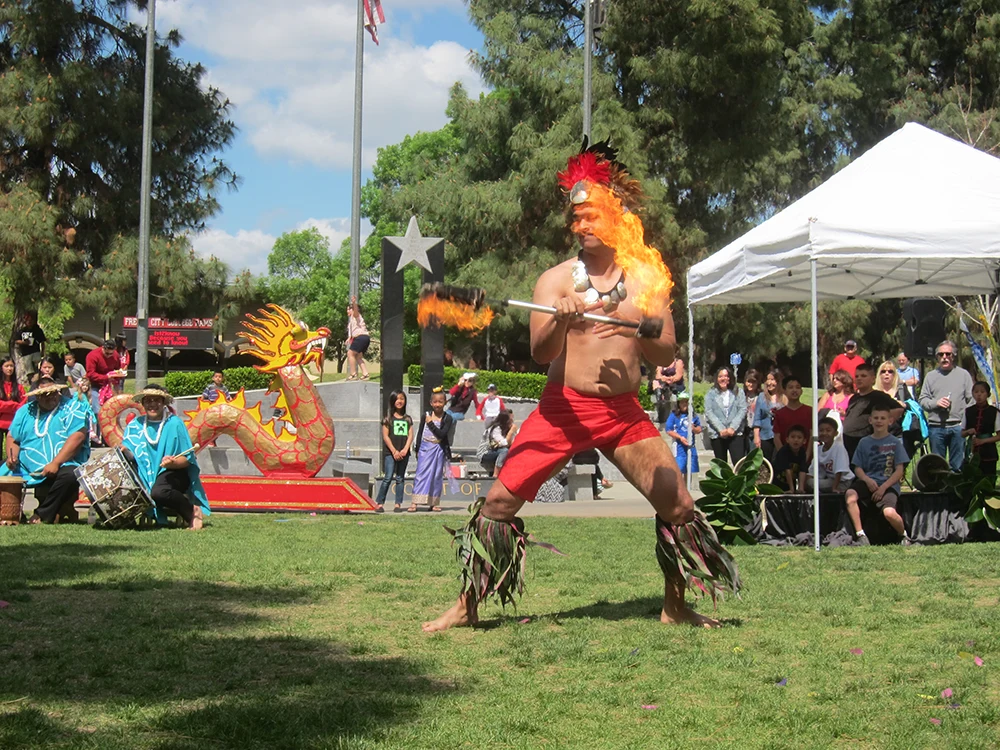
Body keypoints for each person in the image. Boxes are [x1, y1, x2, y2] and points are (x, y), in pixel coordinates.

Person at [422, 142, 738, 633]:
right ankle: (467, 605)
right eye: (578, 217)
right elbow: (543, 353)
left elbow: (666, 353)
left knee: (678, 504)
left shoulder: (647, 280)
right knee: (499, 504)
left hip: (623, 413)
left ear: (616, 217)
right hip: (561, 411)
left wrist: (642, 330)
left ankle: (675, 605)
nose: (584, 225)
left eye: (594, 215)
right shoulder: (554, 281)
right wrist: (563, 322)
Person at [0, 378, 90, 523]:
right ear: (38, 396)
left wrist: (55, 462)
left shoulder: (72, 407)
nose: (52, 397)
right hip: (25, 464)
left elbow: (78, 437)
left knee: (71, 475)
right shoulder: (25, 411)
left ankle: (43, 514)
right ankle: (11, 513)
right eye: (46, 395)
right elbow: (12, 437)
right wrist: (12, 456)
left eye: (54, 393)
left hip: (62, 463)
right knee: (3, 469)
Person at [120, 385, 209, 529]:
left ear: (164, 403)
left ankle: (192, 512)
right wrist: (124, 450)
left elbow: (187, 459)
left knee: (159, 492)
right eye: (148, 400)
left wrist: (172, 463)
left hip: (175, 472)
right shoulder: (135, 425)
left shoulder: (175, 423)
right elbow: (128, 450)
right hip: (143, 474)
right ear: (142, 403)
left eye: (157, 400)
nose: (152, 404)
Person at [844, 406, 911, 546]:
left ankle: (903, 535)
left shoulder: (895, 443)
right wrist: (867, 480)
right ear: (870, 420)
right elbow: (857, 468)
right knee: (850, 495)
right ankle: (860, 535)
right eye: (876, 418)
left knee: (889, 513)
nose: (879, 421)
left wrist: (883, 488)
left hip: (888, 484)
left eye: (883, 418)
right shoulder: (864, 442)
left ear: (890, 421)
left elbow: (899, 471)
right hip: (868, 482)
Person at [919, 340, 974, 472]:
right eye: (941, 354)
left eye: (948, 354)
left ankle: (955, 490)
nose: (944, 357)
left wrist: (965, 423)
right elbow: (922, 400)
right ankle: (940, 490)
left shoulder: (964, 375)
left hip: (957, 427)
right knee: (938, 466)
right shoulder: (931, 376)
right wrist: (935, 403)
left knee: (957, 465)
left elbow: (971, 400)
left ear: (953, 356)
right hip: (936, 428)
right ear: (937, 357)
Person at [841, 363, 905, 462]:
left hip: (865, 442)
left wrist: (879, 422)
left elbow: (899, 409)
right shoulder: (854, 398)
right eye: (857, 376)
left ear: (873, 379)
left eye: (863, 376)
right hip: (847, 441)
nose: (859, 379)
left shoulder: (878, 396)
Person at [409, 387, 453, 512]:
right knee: (421, 474)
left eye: (440, 401)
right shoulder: (426, 415)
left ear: (445, 402)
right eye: (435, 402)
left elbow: (441, 434)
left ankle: (434, 502)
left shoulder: (447, 418)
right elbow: (420, 432)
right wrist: (417, 448)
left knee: (436, 475)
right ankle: (415, 502)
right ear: (431, 403)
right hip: (425, 448)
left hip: (438, 449)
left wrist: (431, 424)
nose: (437, 404)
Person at [374, 389, 413, 513]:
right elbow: (385, 436)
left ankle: (398, 504)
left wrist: (405, 449)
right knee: (388, 477)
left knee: (400, 478)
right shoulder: (388, 419)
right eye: (397, 399)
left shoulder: (407, 419)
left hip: (404, 453)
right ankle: (380, 503)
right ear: (392, 401)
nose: (400, 401)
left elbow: (410, 435)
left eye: (402, 398)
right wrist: (394, 451)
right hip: (390, 453)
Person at [704, 366, 747, 464]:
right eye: (721, 376)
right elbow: (709, 412)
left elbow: (742, 409)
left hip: (735, 433)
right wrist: (721, 429)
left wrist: (732, 427)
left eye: (726, 376)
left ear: (730, 377)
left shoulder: (738, 392)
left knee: (739, 463)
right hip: (718, 434)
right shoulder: (710, 394)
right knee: (721, 466)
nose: (724, 379)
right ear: (717, 378)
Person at [962, 381, 1000, 480]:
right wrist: (968, 432)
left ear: (988, 394)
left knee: (987, 479)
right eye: (976, 392)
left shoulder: (994, 412)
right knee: (971, 480)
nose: (979, 395)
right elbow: (962, 433)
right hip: (972, 450)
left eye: (982, 392)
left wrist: (983, 441)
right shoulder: (968, 411)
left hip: (989, 451)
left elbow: (999, 435)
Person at [86, 340, 122, 441]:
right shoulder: (93, 355)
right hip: (96, 385)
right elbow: (90, 374)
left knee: (110, 411)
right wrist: (105, 377)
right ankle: (95, 437)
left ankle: (108, 437)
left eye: (111, 353)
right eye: (107, 353)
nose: (109, 356)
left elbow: (117, 369)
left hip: (109, 386)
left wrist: (117, 377)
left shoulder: (115, 355)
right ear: (103, 348)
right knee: (97, 411)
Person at [808, 416, 853, 493]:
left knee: (811, 483)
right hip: (830, 479)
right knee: (809, 481)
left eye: (828, 430)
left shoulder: (839, 447)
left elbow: (839, 471)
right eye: (821, 430)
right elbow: (814, 470)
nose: (824, 433)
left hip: (843, 481)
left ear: (835, 433)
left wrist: (834, 488)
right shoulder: (819, 449)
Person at [665, 392, 701, 476]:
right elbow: (669, 430)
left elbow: (699, 429)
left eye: (686, 402)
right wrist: (680, 437)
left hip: (691, 446)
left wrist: (694, 428)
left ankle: (687, 487)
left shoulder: (693, 415)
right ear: (678, 404)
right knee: (679, 470)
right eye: (682, 402)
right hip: (679, 447)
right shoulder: (673, 415)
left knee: (690, 471)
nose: (684, 404)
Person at [772, 376, 813, 451]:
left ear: (801, 391)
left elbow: (812, 435)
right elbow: (777, 437)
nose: (794, 390)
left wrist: (807, 456)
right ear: (784, 391)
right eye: (791, 387)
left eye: (797, 387)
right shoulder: (780, 413)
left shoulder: (809, 411)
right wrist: (784, 455)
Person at [12, 310, 46, 390]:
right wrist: (24, 343)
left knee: (37, 368)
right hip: (25, 354)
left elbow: (42, 341)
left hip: (35, 352)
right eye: (27, 321)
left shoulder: (37, 330)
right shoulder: (21, 331)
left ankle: (39, 380)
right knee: (29, 372)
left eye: (31, 321)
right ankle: (33, 384)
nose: (29, 322)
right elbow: (16, 340)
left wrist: (43, 352)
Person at [0, 358, 25, 456]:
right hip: (1, 422)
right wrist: (12, 405)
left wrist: (7, 407)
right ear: (1, 368)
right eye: (6, 366)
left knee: (13, 452)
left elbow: (22, 404)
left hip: (14, 422)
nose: (9, 369)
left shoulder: (19, 387)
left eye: (11, 366)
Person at [773, 425, 808, 493]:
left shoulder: (802, 452)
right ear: (787, 440)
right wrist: (791, 489)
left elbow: (803, 470)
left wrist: (801, 488)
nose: (796, 440)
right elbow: (787, 470)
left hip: (791, 482)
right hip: (777, 482)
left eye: (799, 437)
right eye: (792, 437)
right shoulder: (783, 451)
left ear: (804, 441)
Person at [481, 410, 516, 477]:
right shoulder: (495, 429)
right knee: (505, 450)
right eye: (510, 420)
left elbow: (513, 442)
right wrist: (511, 432)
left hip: (498, 452)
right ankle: (496, 473)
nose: (512, 422)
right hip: (487, 453)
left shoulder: (506, 429)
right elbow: (504, 443)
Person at [345, 296, 371, 381]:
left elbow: (355, 310)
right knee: (358, 357)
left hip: (361, 337)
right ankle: (365, 374)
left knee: (350, 354)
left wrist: (354, 303)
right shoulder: (351, 322)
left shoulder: (356, 316)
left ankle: (353, 374)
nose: (347, 311)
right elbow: (352, 332)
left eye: (349, 309)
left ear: (352, 310)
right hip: (364, 338)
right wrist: (349, 338)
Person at [742, 369, 762, 455]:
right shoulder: (741, 395)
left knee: (754, 456)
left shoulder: (761, 396)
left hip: (756, 430)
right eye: (748, 381)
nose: (751, 384)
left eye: (753, 382)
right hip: (744, 430)